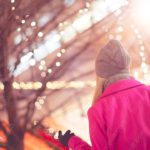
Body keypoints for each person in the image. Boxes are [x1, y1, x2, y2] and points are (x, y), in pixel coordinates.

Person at [58, 40, 150, 150]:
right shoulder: (147, 92)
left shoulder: (98, 111)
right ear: (126, 67)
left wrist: (72, 141)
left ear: (101, 75)